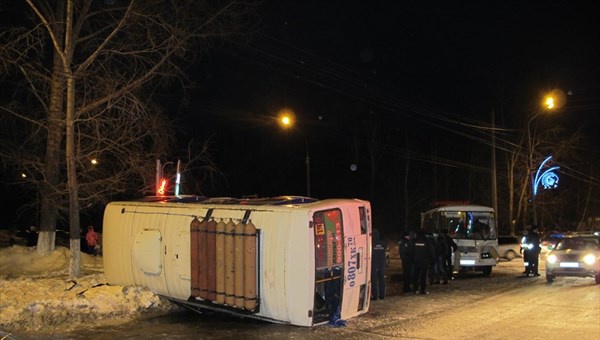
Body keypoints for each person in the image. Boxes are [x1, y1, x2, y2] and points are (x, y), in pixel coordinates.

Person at [410, 228, 435, 295]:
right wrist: (432, 260)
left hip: (416, 261)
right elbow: (431, 252)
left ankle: (415, 290)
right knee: (423, 276)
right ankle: (422, 290)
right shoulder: (427, 241)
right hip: (425, 261)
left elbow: (411, 251)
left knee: (416, 276)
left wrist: (412, 259)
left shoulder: (414, 241)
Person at [371, 228, 387, 300]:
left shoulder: (371, 243)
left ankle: (375, 296)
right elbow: (385, 248)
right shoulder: (383, 242)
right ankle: (382, 295)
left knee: (374, 281)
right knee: (382, 280)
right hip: (382, 264)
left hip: (374, 264)